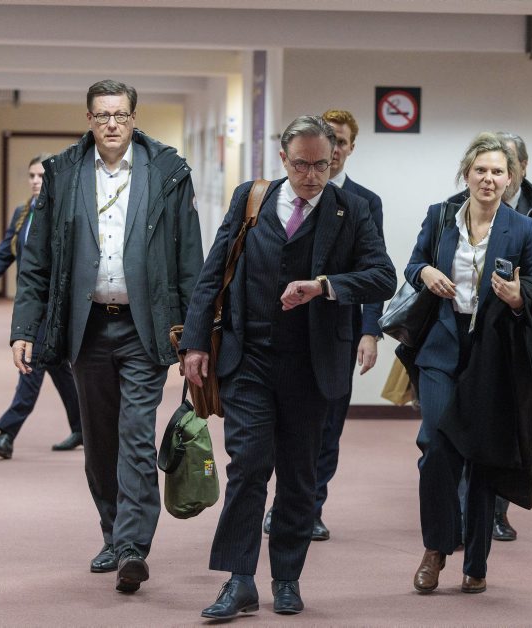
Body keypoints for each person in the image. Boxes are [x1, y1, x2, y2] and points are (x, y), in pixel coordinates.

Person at [180, 115, 395, 619]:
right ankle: (239, 580)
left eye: (322, 165)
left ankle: (287, 578)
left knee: (299, 475)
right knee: (248, 464)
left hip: (312, 365)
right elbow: (215, 269)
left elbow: (382, 276)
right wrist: (194, 342)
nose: (312, 176)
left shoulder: (352, 209)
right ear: (283, 159)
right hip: (248, 358)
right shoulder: (251, 198)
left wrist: (324, 286)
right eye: (302, 165)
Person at [10, 80, 203, 594]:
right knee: (99, 440)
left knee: (136, 434)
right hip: (88, 326)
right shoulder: (63, 173)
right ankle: (112, 533)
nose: (111, 124)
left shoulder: (167, 171)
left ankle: (133, 546)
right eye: (102, 116)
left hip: (145, 325)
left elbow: (190, 258)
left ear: (134, 118)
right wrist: (25, 328)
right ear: (89, 120)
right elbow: (37, 261)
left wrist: (197, 334)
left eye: (120, 115)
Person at [406, 132, 532, 596]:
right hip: (442, 346)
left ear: (510, 178)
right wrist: (426, 272)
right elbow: (413, 264)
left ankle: (477, 563)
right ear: (466, 174)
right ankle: (436, 548)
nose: (488, 178)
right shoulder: (440, 216)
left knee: (483, 456)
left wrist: (520, 298)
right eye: (480, 170)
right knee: (436, 444)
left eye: (497, 172)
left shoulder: (523, 230)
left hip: (493, 354)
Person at [448, 132, 532, 542]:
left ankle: (495, 512)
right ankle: (463, 510)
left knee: (508, 428)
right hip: (471, 337)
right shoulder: (457, 209)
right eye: (485, 167)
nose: (493, 175)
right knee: (465, 422)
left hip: (524, 339)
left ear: (520, 168)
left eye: (505, 165)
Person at [262, 108, 385, 542]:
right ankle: (286, 501)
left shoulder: (362, 203)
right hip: (280, 334)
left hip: (335, 331)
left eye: (339, 143)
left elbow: (376, 272)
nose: (327, 157)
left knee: (327, 426)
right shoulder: (272, 197)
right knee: (279, 429)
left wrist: (370, 330)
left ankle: (311, 505)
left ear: (346, 149)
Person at [0, 154, 82, 459]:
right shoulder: (22, 213)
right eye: (31, 175)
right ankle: (83, 427)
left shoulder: (64, 213)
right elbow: (5, 254)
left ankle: (7, 433)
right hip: (32, 306)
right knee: (57, 367)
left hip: (55, 307)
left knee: (31, 361)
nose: (35, 181)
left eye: (41, 176)